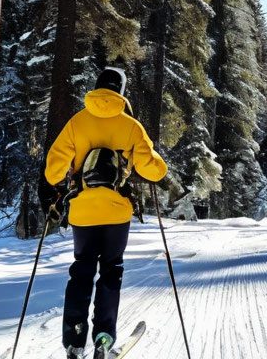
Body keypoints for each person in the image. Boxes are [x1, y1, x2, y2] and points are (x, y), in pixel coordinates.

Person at [41, 67, 168, 359]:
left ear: (97, 88)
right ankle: (103, 338)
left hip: (82, 212)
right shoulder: (131, 126)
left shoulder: (77, 122)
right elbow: (155, 171)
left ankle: (74, 339)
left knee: (81, 270)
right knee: (111, 272)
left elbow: (52, 172)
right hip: (116, 213)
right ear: (121, 92)